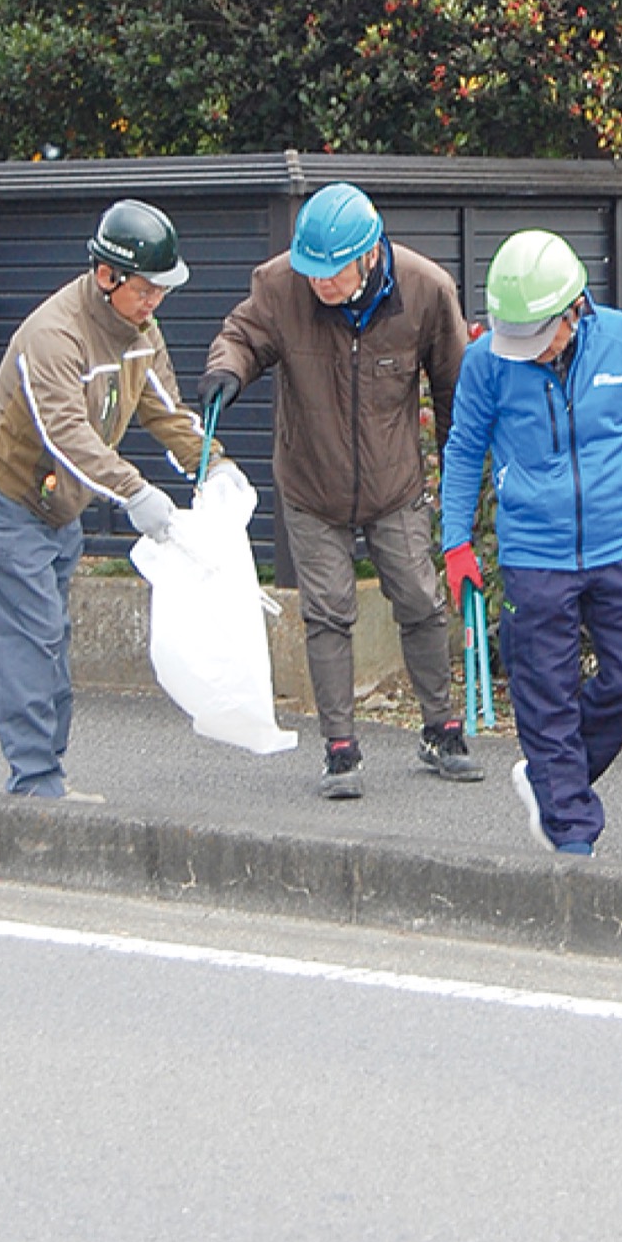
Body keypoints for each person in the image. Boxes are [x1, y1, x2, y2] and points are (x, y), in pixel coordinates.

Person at [439, 228, 622, 857]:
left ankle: (549, 779)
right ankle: (572, 836)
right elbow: (462, 449)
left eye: (542, 337)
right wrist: (455, 542)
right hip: (532, 554)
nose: (535, 352)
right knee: (544, 695)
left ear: (576, 309)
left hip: (617, 543)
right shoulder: (488, 362)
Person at [199, 181, 480, 798]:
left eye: (331, 273)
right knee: (326, 612)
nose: (319, 284)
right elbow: (242, 336)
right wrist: (226, 370)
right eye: (311, 272)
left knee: (420, 601)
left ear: (370, 253)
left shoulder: (427, 290)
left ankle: (442, 729)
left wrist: (462, 479)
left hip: (394, 481)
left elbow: (456, 389)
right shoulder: (279, 285)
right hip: (309, 479)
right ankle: (340, 749)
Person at [0, 198, 239, 799]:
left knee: (53, 636)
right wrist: (137, 493)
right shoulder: (53, 336)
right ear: (106, 276)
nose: (155, 302)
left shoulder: (141, 331)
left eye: (163, 290)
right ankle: (36, 785)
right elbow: (66, 435)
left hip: (63, 504)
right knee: (28, 637)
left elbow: (165, 408)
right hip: (6, 495)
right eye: (146, 289)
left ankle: (44, 777)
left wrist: (214, 467)